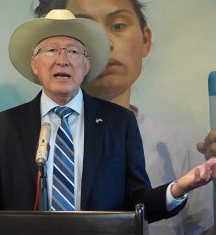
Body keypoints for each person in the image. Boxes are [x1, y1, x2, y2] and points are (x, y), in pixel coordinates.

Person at [0, 9, 216, 225]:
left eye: (74, 51)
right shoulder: (4, 126)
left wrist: (179, 187)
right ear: (34, 65)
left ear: (86, 65)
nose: (63, 59)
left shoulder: (119, 123)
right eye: (51, 50)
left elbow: (137, 203)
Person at [34, 0, 214, 234]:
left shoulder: (177, 145)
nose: (105, 43)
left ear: (145, 39)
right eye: (84, 31)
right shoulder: (14, 132)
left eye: (118, 25)